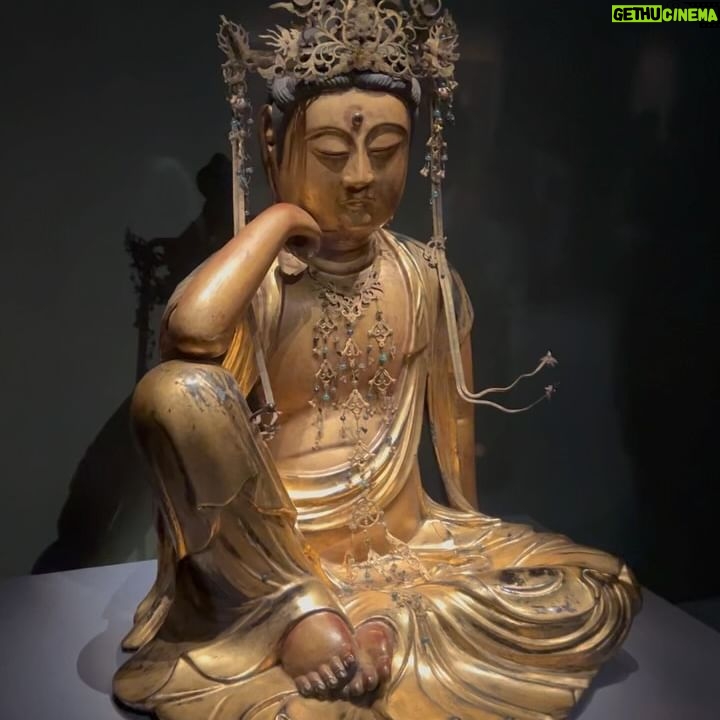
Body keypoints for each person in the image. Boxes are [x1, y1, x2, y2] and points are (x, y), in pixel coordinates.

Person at [113, 5, 640, 719]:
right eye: (332, 153)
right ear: (272, 145)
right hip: (277, 558)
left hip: (405, 542)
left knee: (600, 586)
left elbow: (456, 451)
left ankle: (385, 625)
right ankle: (297, 614)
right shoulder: (262, 284)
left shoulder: (425, 279)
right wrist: (279, 220)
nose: (361, 176)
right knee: (173, 392)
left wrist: (468, 546)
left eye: (387, 150)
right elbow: (189, 334)